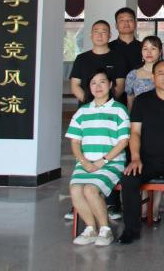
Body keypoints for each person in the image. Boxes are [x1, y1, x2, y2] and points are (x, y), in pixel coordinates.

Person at [116, 60, 164, 245]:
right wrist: (135, 158)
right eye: (161, 73)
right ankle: (131, 229)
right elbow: (135, 132)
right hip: (146, 159)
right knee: (129, 180)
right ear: (153, 77)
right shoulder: (141, 101)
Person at [66, 69, 130, 246]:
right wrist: (84, 161)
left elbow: (123, 142)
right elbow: (75, 142)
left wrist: (103, 161)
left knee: (90, 189)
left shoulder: (119, 110)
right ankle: (90, 229)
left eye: (102, 82)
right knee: (75, 190)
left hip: (111, 163)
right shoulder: (82, 111)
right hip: (85, 163)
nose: (98, 86)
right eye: (93, 83)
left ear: (110, 85)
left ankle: (105, 230)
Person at [70, 20, 126, 104]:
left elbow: (120, 86)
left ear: (110, 35)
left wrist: (106, 104)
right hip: (87, 107)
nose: (99, 35)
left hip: (111, 107)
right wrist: (91, 105)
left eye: (104, 32)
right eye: (96, 32)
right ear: (91, 35)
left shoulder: (119, 58)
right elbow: (75, 85)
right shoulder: (81, 59)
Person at [124, 36, 162, 110]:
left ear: (160, 52)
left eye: (153, 48)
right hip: (139, 116)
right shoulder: (132, 75)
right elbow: (130, 102)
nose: (149, 52)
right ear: (141, 52)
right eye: (145, 49)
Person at [110, 6, 143, 72]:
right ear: (116, 25)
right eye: (122, 20)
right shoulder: (108, 48)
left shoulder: (143, 47)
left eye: (130, 20)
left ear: (135, 24)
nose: (126, 23)